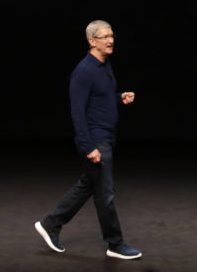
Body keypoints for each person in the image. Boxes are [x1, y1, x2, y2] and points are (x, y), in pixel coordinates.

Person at [34, 20, 142, 260]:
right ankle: (115, 244)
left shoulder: (104, 65)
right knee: (106, 195)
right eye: (104, 37)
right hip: (97, 141)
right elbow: (78, 112)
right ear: (92, 41)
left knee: (86, 187)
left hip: (106, 137)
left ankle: (51, 224)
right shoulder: (84, 71)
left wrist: (118, 98)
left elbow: (100, 99)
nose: (110, 40)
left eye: (112, 35)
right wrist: (88, 146)